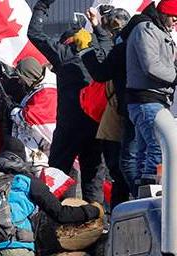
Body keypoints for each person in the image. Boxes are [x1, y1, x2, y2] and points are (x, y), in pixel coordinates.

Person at [28, 0, 107, 202]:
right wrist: (98, 26)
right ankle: (96, 225)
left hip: (69, 125)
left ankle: (52, 222)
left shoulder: (62, 54)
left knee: (56, 177)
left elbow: (35, 34)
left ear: (65, 41)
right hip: (96, 126)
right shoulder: (100, 54)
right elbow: (111, 43)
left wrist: (42, 6)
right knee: (93, 181)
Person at [0, 139, 104, 256]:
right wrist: (94, 210)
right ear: (21, 158)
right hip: (16, 247)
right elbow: (61, 214)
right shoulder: (25, 181)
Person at [80, 7, 133, 206]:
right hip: (127, 113)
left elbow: (102, 71)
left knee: (121, 170)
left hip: (117, 116)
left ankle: (120, 213)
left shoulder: (119, 49)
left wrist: (85, 50)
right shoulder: (134, 44)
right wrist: (95, 25)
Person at [125, 0, 177, 188]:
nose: (175, 22)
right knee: (159, 145)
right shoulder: (146, 30)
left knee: (145, 150)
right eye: (174, 17)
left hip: (152, 100)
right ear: (164, 14)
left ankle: (142, 189)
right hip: (147, 100)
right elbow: (151, 66)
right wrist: (175, 76)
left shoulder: (157, 31)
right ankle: (151, 187)